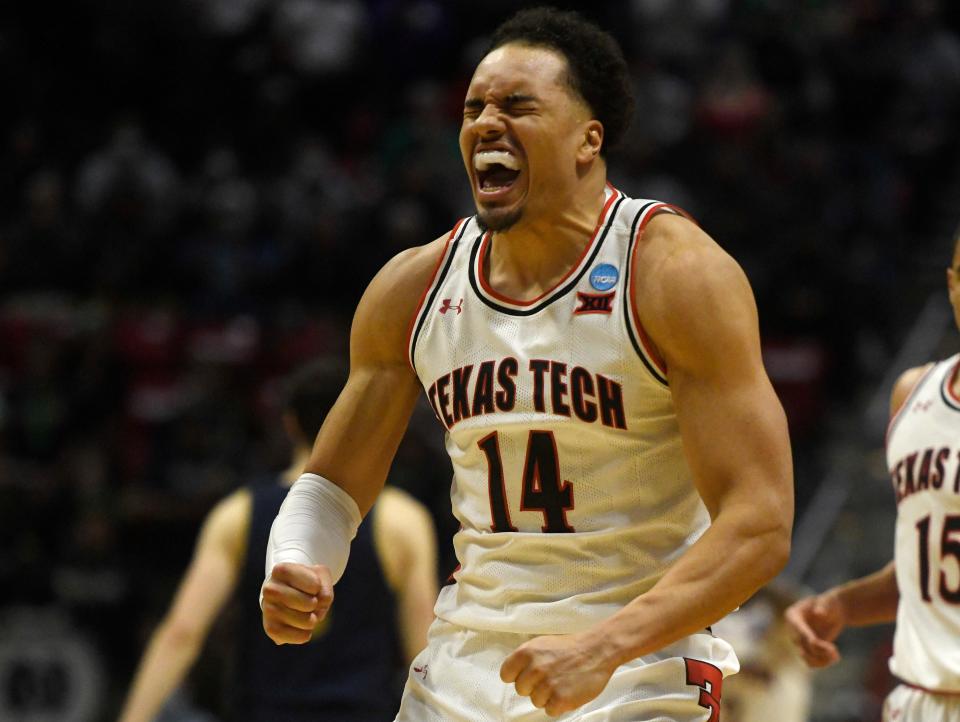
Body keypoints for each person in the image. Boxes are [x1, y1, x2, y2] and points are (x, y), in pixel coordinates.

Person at [261, 7, 794, 720]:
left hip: (637, 661)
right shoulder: (412, 289)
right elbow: (331, 483)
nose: (485, 123)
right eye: (473, 107)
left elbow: (759, 521)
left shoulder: (672, 273)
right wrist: (298, 559)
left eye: (517, 106)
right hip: (465, 664)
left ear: (587, 140)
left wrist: (602, 647)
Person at [118, 359, 438, 722]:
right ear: (367, 420)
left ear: (289, 423)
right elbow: (424, 651)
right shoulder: (403, 520)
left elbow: (181, 633)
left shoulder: (238, 512)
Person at [785, 228, 960, 722]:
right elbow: (923, 569)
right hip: (918, 701)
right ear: (951, 284)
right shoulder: (912, 394)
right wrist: (841, 606)